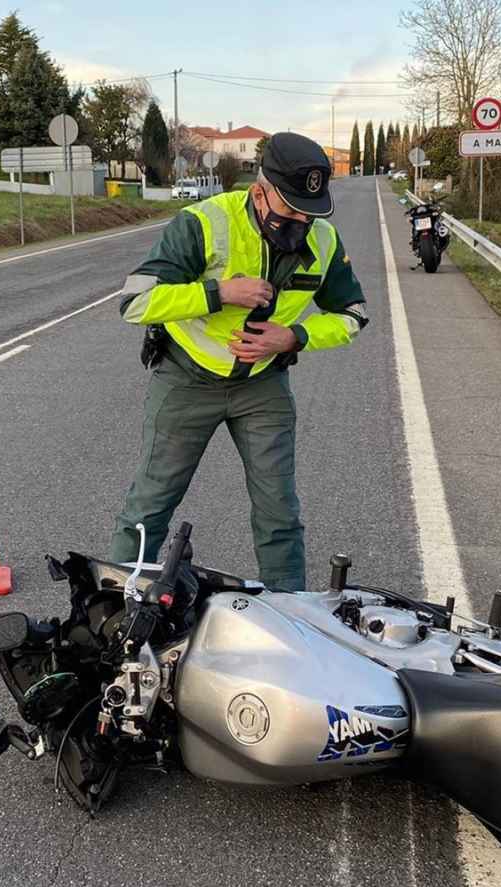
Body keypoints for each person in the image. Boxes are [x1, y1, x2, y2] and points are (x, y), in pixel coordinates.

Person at [110, 132, 369, 591]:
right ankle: (118, 607)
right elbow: (134, 304)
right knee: (150, 506)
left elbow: (353, 315)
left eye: (309, 212)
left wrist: (294, 337)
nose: (300, 221)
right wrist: (218, 293)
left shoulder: (324, 241)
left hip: (262, 387)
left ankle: (290, 615)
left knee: (279, 512)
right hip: (185, 381)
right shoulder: (204, 223)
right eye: (289, 209)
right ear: (258, 191)